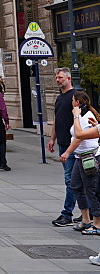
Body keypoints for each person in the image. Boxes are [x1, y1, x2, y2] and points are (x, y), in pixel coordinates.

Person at [60, 90, 100, 235]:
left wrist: (67, 152)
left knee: (92, 189)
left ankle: (97, 223)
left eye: (72, 101)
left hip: (89, 157)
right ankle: (85, 219)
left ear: (77, 102)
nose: (71, 103)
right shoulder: (84, 116)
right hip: (80, 157)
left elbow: (79, 135)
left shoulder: (85, 116)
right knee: (75, 185)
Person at [49, 67, 79, 226]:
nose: (57, 80)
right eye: (56, 77)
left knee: (70, 180)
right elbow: (57, 119)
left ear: (68, 78)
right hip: (63, 143)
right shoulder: (60, 98)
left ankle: (67, 214)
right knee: (76, 180)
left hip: (72, 145)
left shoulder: (75, 97)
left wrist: (70, 148)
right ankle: (86, 212)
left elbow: (79, 122)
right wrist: (52, 138)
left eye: (60, 77)